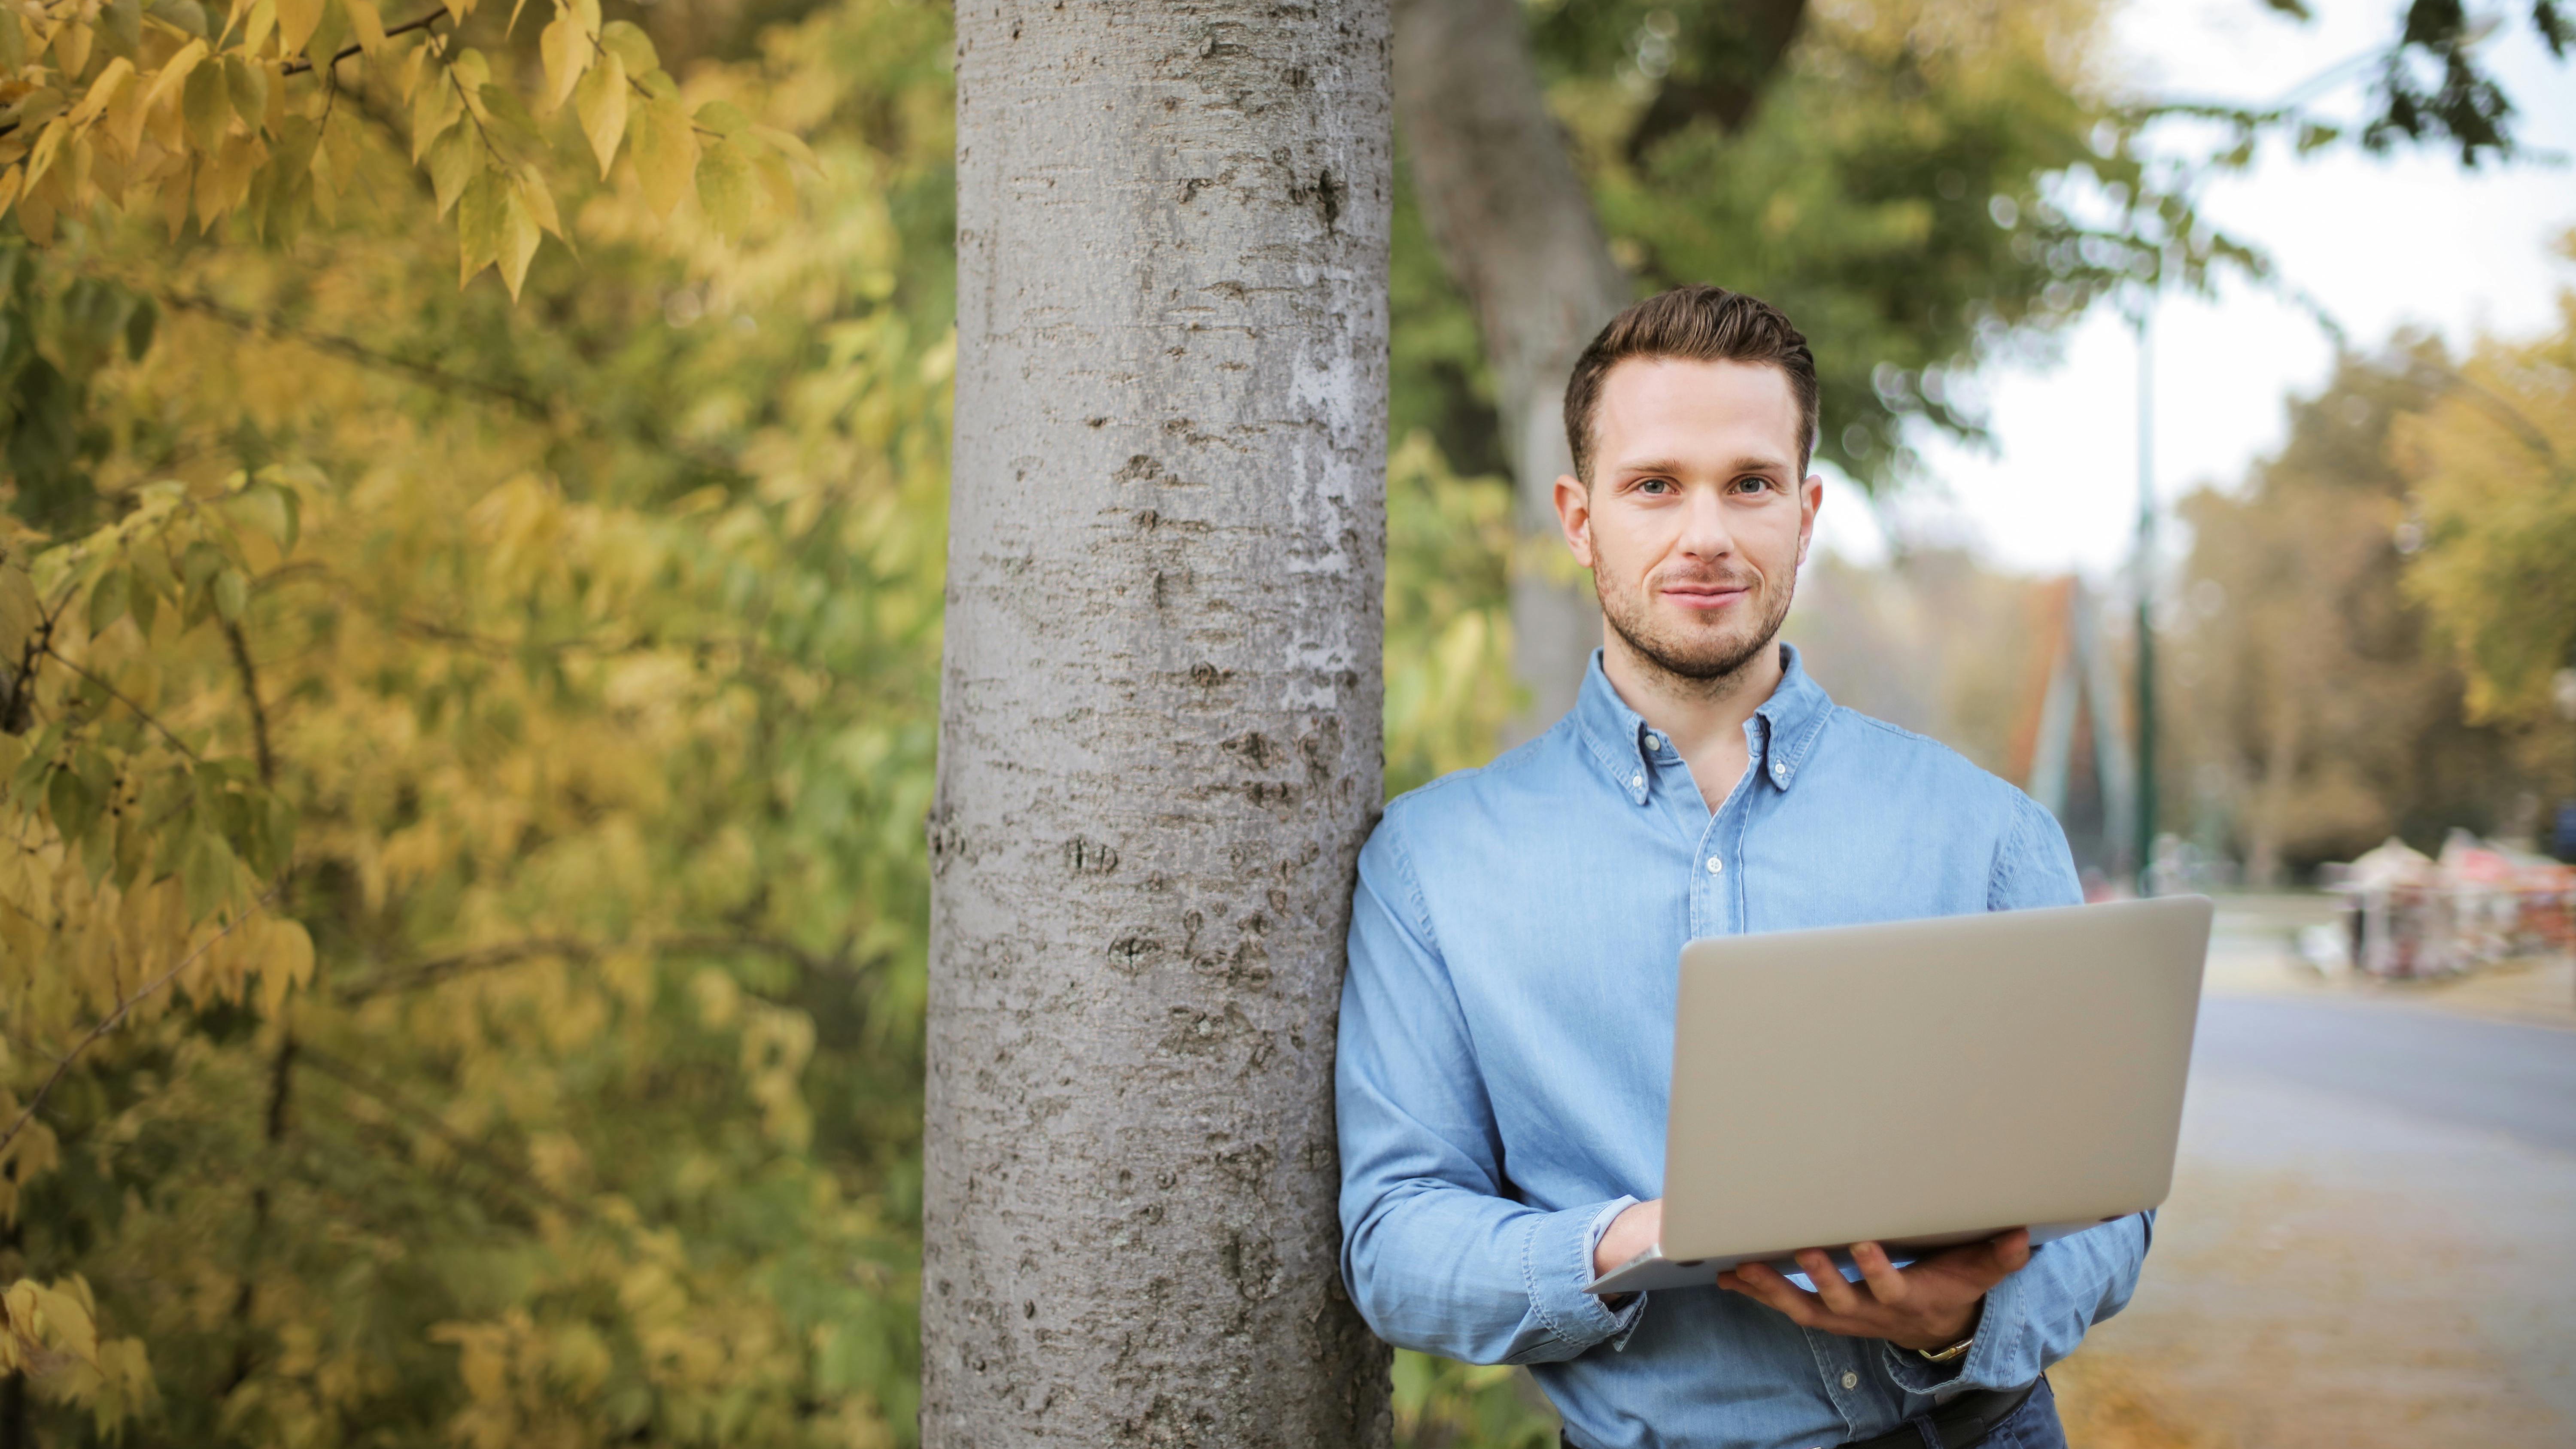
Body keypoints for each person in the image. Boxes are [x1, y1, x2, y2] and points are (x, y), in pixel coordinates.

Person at [1334, 285, 2149, 1449]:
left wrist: (1959, 1321)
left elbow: (2106, 1205)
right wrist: (1625, 1244)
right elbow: (1396, 1242)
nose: (1706, 532)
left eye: (1750, 485)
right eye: (1655, 485)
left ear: (1806, 514)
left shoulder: (1990, 834)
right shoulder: (1434, 865)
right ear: (1579, 518)